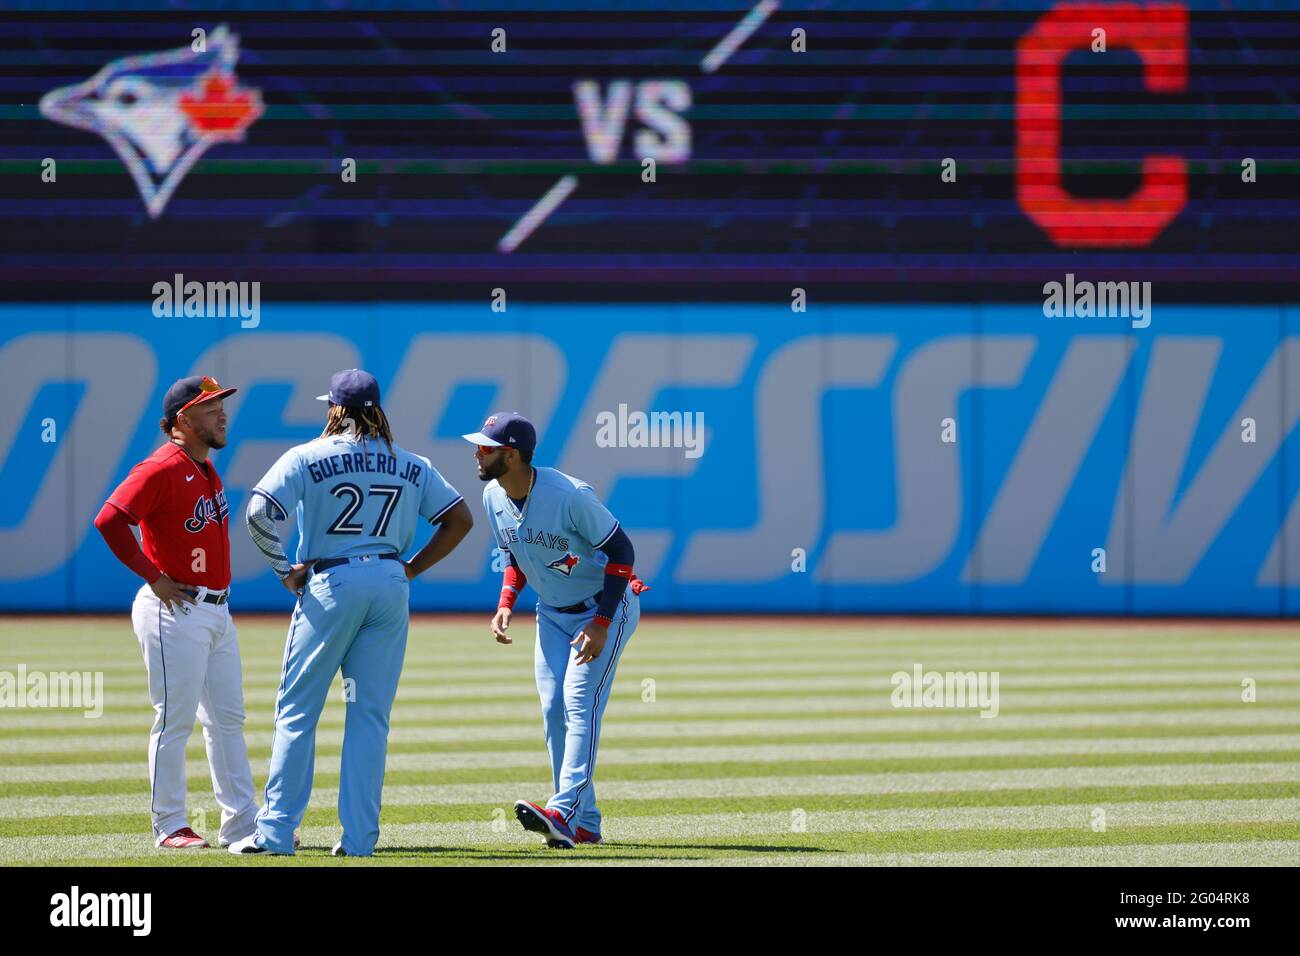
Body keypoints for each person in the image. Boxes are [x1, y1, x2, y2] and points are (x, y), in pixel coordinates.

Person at [233, 369, 473, 856]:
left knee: (298, 710)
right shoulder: (411, 462)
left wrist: (284, 569)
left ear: (334, 409)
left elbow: (258, 513)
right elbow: (460, 519)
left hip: (332, 581)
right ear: (376, 409)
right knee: (369, 717)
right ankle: (360, 841)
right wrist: (410, 568)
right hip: (388, 583)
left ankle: (276, 834)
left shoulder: (307, 455)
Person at [464, 412, 647, 848]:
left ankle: (562, 812)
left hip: (605, 607)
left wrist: (602, 624)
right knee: (553, 711)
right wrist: (505, 604)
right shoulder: (494, 496)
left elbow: (622, 550)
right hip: (552, 611)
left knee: (579, 703)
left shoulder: (569, 495)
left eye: (485, 447)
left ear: (510, 455)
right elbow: (515, 556)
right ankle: (586, 823)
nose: (477, 452)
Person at [92, 375, 258, 850]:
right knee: (175, 719)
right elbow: (110, 519)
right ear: (183, 419)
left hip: (216, 611)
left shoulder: (203, 466)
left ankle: (242, 823)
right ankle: (169, 824)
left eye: (222, 405)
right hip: (175, 608)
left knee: (227, 720)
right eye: (211, 408)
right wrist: (152, 575)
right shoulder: (162, 466)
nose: (222, 413)